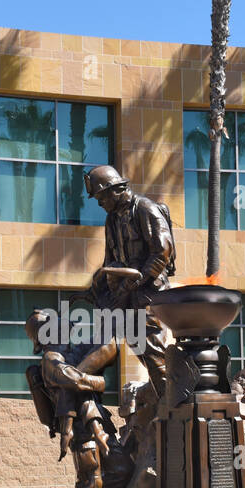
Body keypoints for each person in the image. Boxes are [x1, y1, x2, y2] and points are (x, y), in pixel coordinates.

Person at [25, 307, 127, 488]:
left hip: (95, 420)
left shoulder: (67, 353)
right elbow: (77, 381)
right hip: (80, 429)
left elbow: (107, 348)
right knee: (90, 480)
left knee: (120, 469)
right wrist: (101, 382)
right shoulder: (51, 360)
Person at [83, 164, 175, 397]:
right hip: (127, 294)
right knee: (138, 347)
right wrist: (98, 289)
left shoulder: (144, 208)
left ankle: (174, 406)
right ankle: (164, 401)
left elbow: (162, 250)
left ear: (115, 190)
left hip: (149, 294)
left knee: (153, 349)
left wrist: (139, 279)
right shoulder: (112, 220)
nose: (99, 203)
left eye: (101, 197)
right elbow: (110, 259)